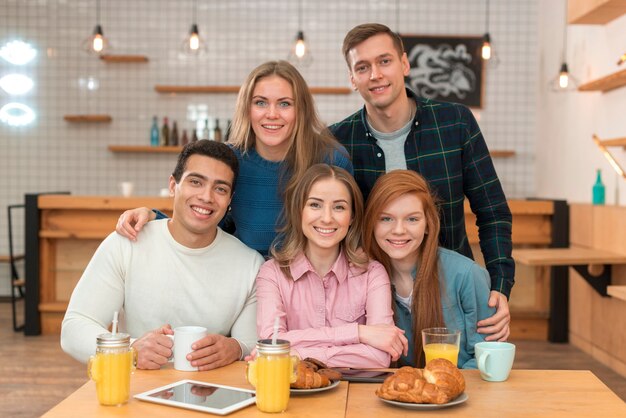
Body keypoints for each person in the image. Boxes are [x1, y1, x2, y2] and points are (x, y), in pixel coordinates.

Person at [329, 23, 513, 341]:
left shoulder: (455, 122)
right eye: (363, 67)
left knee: (460, 378)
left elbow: (493, 211)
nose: (375, 74)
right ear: (352, 78)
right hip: (373, 299)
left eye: (384, 61)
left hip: (451, 295)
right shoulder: (338, 141)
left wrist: (499, 287)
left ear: (404, 63)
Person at [61, 140, 265, 370]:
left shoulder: (250, 265)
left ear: (229, 201)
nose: (207, 197)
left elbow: (251, 343)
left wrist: (236, 347)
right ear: (172, 185)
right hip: (135, 393)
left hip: (211, 394)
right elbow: (73, 328)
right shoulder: (127, 244)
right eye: (195, 182)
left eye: (220, 189)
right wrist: (130, 350)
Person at [115, 61, 353, 257]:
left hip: (313, 291)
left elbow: (350, 235)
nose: (271, 114)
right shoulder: (229, 160)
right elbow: (203, 223)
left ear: (300, 110)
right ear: (246, 109)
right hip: (243, 289)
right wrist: (152, 216)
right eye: (260, 103)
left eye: (284, 104)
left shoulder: (331, 160)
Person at [256, 164, 408, 367]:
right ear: (299, 210)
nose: (327, 218)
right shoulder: (272, 273)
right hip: (293, 394)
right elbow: (271, 346)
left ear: (352, 216)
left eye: (339, 207)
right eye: (315, 205)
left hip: (356, 393)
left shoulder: (372, 273)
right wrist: (359, 333)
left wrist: (296, 355)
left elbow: (380, 358)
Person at [363, 170, 494, 369]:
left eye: (412, 219)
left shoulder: (467, 275)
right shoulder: (362, 276)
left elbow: (487, 354)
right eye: (386, 219)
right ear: (372, 223)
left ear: (427, 224)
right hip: (395, 392)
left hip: (460, 393)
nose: (399, 230)